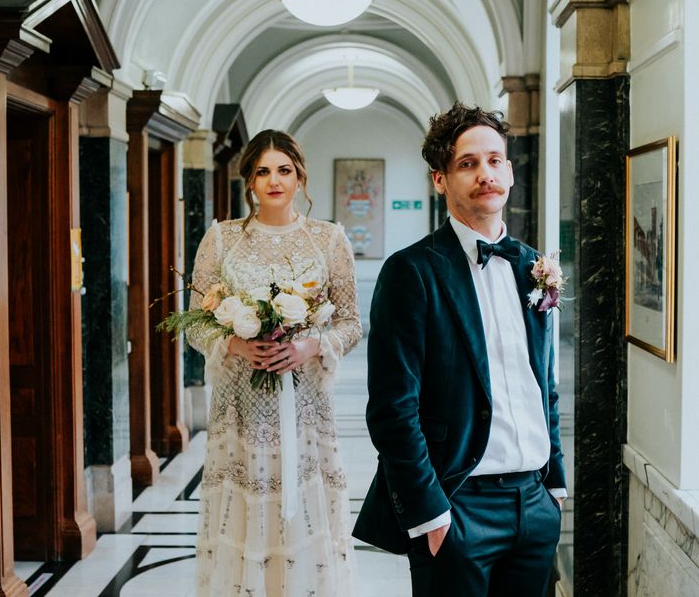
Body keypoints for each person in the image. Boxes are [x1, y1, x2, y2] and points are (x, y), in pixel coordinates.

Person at [353, 103, 566, 596]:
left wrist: (553, 487)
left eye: (495, 161)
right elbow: (392, 409)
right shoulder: (412, 272)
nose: (485, 174)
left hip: (534, 506)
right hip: (458, 504)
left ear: (510, 171)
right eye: (467, 164)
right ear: (441, 180)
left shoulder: (532, 266)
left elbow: (545, 384)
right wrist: (431, 512)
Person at [187, 129, 362, 596]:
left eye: (284, 170)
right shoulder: (222, 241)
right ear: (248, 181)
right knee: (244, 516)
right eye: (262, 171)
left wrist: (311, 346)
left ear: (300, 177)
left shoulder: (328, 240)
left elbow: (350, 323)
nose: (274, 180)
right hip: (239, 409)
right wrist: (236, 345)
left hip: (305, 409)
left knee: (302, 514)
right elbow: (194, 323)